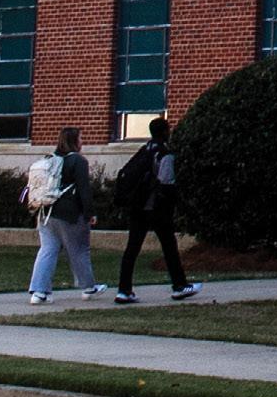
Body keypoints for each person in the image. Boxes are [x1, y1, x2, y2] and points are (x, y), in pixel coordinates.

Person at [111, 114, 200, 302]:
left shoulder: (145, 150)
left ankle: (124, 290)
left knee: (132, 249)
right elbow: (166, 182)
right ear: (165, 132)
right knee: (169, 247)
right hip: (157, 208)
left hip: (137, 206)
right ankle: (179, 285)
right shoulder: (164, 153)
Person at [24, 127, 104, 304]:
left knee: (47, 249)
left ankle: (38, 292)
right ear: (74, 141)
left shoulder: (51, 159)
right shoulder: (78, 161)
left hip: (46, 211)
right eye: (80, 138)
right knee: (80, 250)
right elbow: (84, 189)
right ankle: (88, 287)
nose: (82, 141)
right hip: (70, 213)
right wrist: (90, 213)